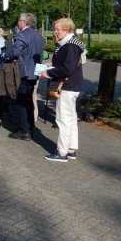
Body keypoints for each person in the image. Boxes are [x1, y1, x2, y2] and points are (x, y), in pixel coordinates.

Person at [39, 18, 84, 162]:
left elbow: (67, 69)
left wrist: (48, 73)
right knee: (70, 118)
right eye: (55, 29)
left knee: (63, 119)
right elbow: (67, 63)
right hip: (72, 85)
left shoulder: (70, 45)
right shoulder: (71, 43)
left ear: (67, 30)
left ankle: (61, 152)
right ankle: (71, 149)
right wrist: (53, 63)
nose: (55, 32)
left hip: (67, 86)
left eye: (58, 29)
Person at [1, 13, 44, 141]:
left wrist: (4, 55)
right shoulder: (38, 36)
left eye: (18, 21)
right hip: (35, 72)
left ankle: (24, 131)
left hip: (25, 73)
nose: (17, 23)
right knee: (29, 102)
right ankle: (31, 128)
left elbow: (15, 52)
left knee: (21, 102)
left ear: (23, 22)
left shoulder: (22, 34)